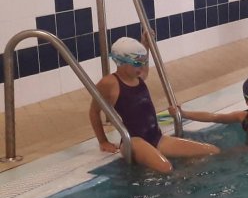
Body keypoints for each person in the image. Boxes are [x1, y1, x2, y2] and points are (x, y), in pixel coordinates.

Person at [88, 35, 220, 173]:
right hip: (133, 141)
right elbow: (94, 111)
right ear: (121, 62)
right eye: (137, 63)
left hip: (156, 137)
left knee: (211, 151)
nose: (141, 67)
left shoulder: (139, 76)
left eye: (144, 62)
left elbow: (143, 67)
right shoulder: (109, 83)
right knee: (165, 167)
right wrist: (103, 141)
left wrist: (145, 44)